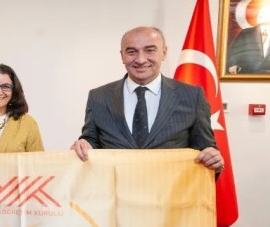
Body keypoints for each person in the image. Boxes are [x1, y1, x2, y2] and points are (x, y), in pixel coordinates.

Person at [71, 26, 224, 173]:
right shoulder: (98, 97)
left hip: (171, 190)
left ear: (164, 52)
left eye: (150, 50)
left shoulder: (192, 96)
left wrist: (213, 159)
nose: (140, 59)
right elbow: (91, 142)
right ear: (122, 56)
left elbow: (205, 149)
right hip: (115, 189)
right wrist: (84, 145)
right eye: (131, 52)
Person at [227, 3, 270, 74]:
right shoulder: (245, 33)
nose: (260, 14)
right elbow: (233, 55)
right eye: (260, 11)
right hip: (247, 76)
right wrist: (232, 66)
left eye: (265, 11)